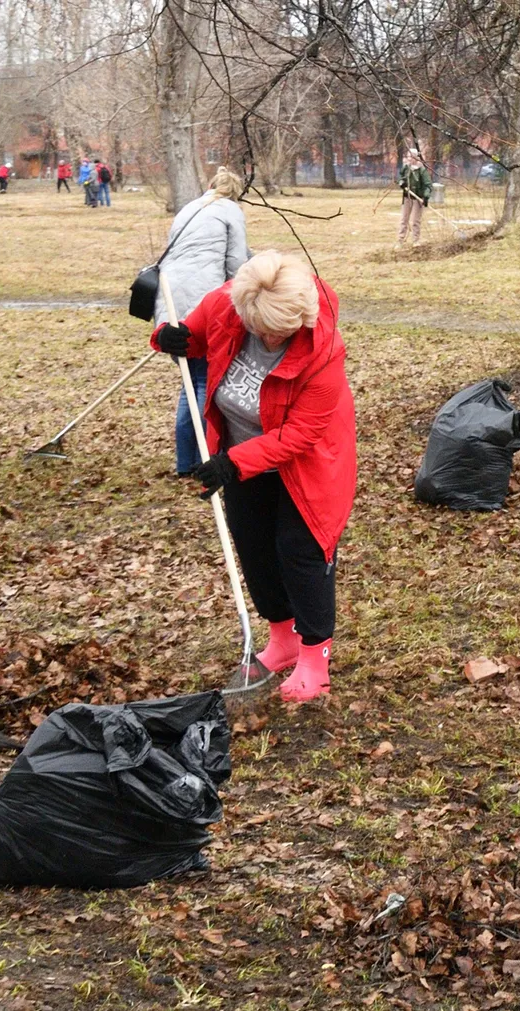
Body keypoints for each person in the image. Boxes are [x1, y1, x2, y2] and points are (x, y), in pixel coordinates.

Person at [152, 251, 356, 704]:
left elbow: (302, 432)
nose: (268, 338)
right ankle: (281, 639)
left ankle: (314, 657)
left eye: (279, 333)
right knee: (254, 544)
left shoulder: (323, 349)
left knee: (301, 551)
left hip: (308, 461)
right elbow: (197, 338)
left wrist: (234, 462)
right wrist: (170, 338)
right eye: (261, 329)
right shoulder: (228, 303)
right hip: (243, 450)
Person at [158, 167, 252, 478]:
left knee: (190, 381)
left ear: (210, 185)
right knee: (203, 383)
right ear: (235, 193)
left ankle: (186, 462)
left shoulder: (189, 208)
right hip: (202, 303)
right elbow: (237, 265)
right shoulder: (231, 211)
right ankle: (203, 459)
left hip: (170, 300)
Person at [396, 147, 431, 246]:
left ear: (416, 158)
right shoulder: (406, 168)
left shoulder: (422, 171)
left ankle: (416, 241)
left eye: (410, 157)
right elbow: (400, 177)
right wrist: (401, 183)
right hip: (407, 198)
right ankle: (400, 241)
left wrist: (425, 196)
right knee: (403, 220)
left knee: (415, 221)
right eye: (408, 157)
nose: (408, 159)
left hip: (417, 199)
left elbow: (428, 185)